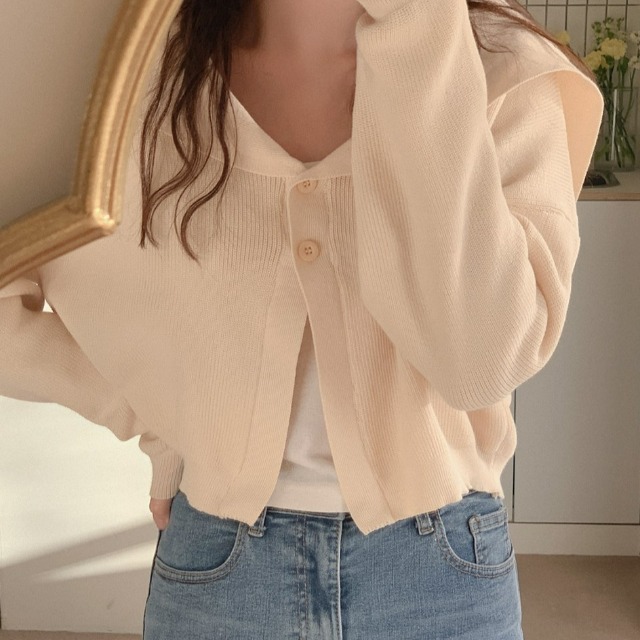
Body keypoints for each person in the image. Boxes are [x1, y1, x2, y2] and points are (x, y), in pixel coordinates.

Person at [0, 0, 604, 638]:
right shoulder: (123, 73)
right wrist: (159, 415)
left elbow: (480, 362)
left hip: (440, 573)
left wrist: (419, 27)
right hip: (218, 573)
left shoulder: (505, 70)